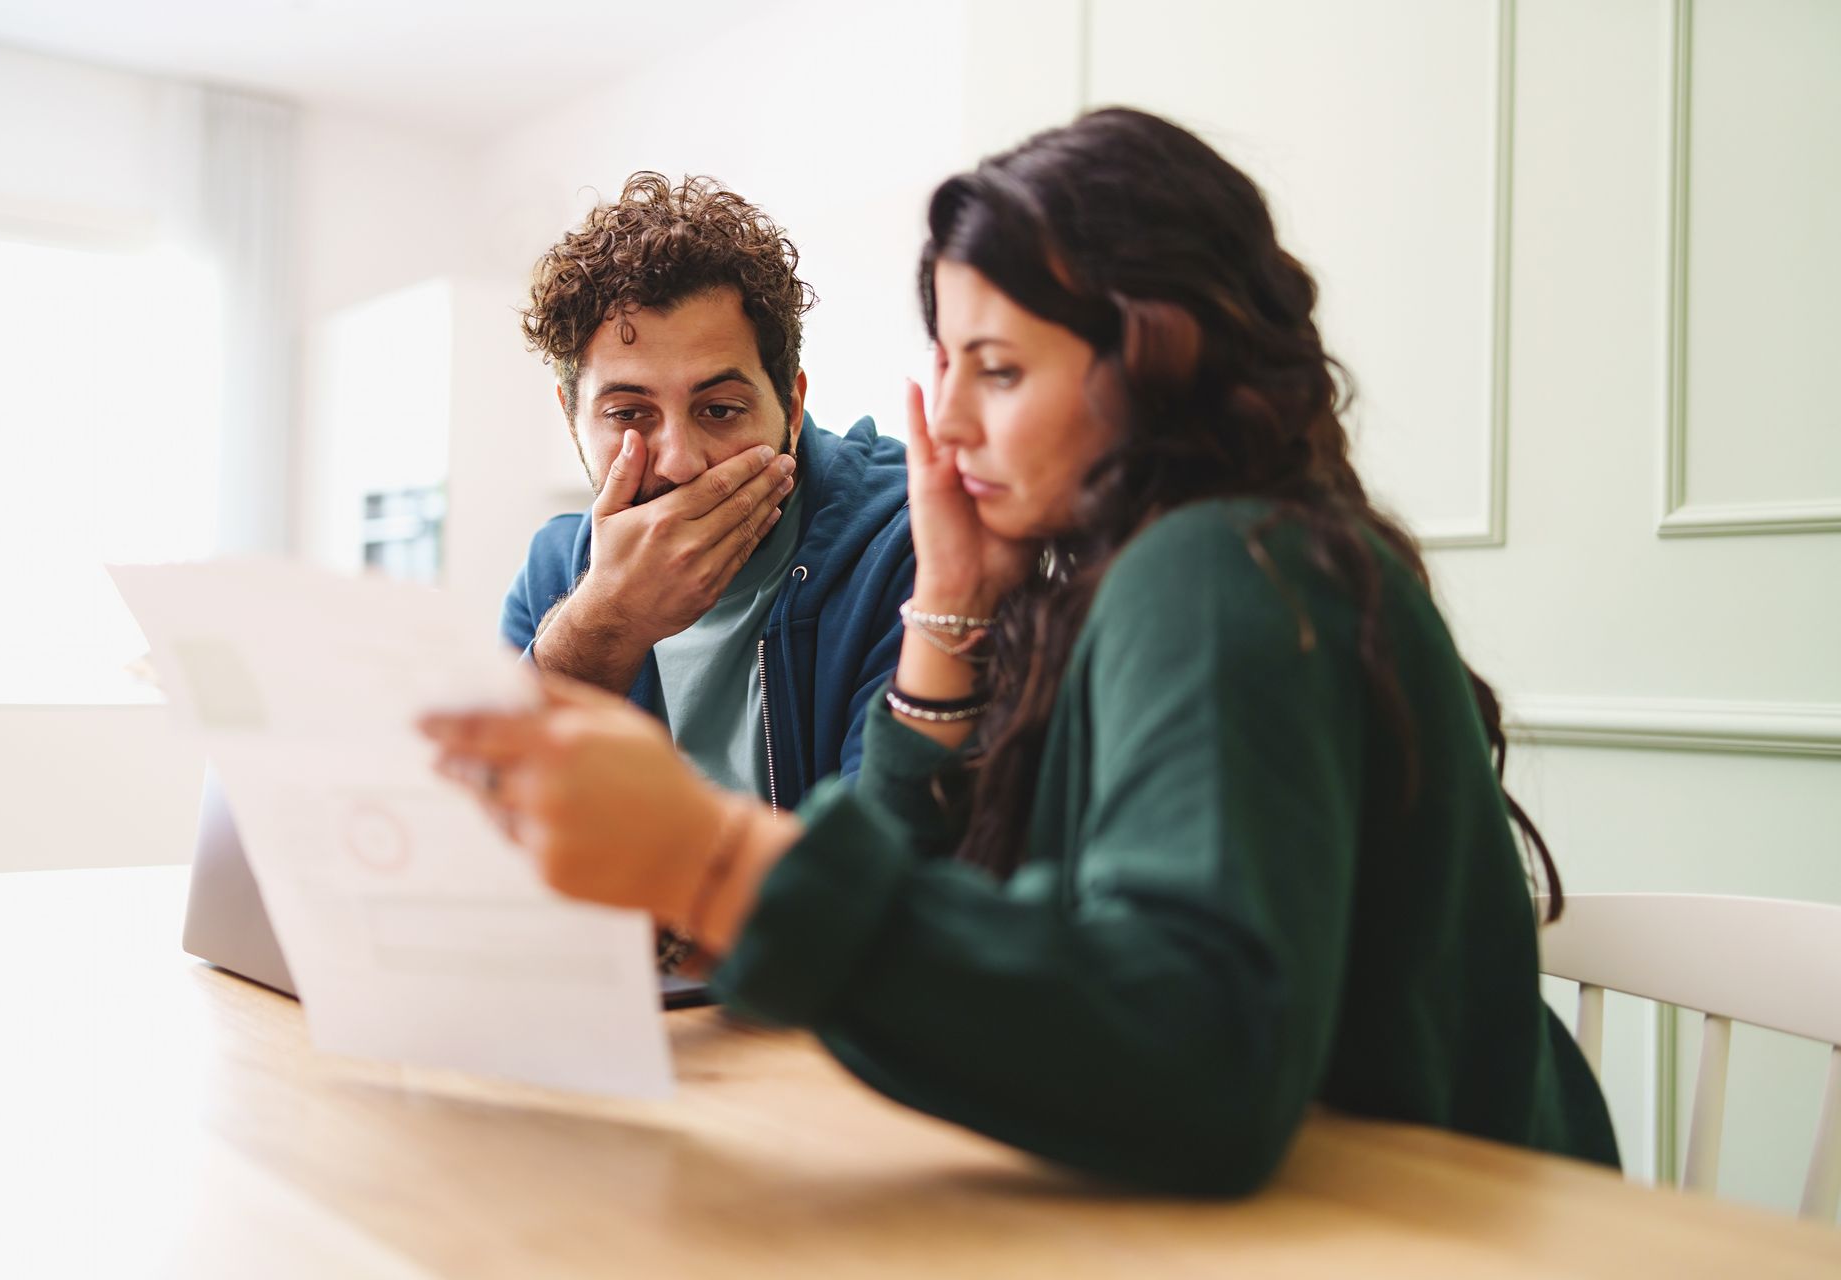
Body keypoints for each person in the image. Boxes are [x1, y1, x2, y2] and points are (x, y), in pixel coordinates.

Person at [426, 110, 1619, 1193]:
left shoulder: (1219, 569)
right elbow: (962, 919)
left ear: (1157, 365)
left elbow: (1202, 1059)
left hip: (1447, 1224)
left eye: (998, 370)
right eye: (951, 368)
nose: (943, 423)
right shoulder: (1129, 574)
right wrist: (950, 605)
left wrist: (714, 859)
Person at [500, 172, 914, 814]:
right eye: (629, 414)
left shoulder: (904, 548)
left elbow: (886, 876)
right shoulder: (557, 572)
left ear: (792, 406)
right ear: (570, 418)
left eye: (719, 409)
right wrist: (604, 620)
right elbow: (487, 838)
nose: (680, 462)